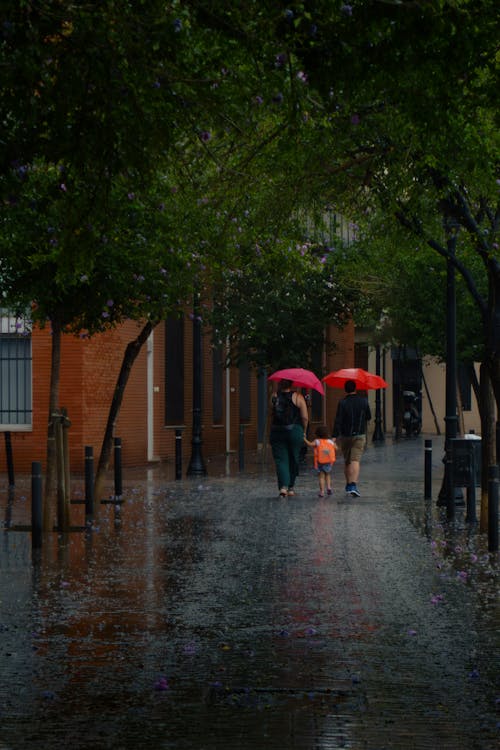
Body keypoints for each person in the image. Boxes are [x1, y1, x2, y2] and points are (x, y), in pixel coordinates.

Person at [269, 379, 309, 497]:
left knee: (281, 460)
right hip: (294, 431)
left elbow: (270, 413)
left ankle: (283, 487)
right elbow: (305, 417)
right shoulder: (298, 397)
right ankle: (291, 487)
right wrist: (304, 431)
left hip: (277, 431)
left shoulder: (274, 396)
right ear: (291, 384)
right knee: (293, 458)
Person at [332, 379, 371, 497]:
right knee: (355, 460)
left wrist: (334, 436)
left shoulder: (342, 402)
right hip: (359, 434)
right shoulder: (364, 401)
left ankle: (348, 483)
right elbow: (368, 416)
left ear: (345, 389)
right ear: (355, 388)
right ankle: (353, 485)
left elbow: (338, 420)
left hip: (345, 436)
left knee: (347, 461)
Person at [304, 424, 336, 497]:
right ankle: (329, 488)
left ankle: (322, 491)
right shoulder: (330, 441)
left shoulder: (317, 441)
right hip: (328, 461)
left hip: (320, 461)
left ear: (317, 434)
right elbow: (336, 448)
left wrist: (304, 439)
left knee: (321, 476)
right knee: (328, 474)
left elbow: (310, 444)